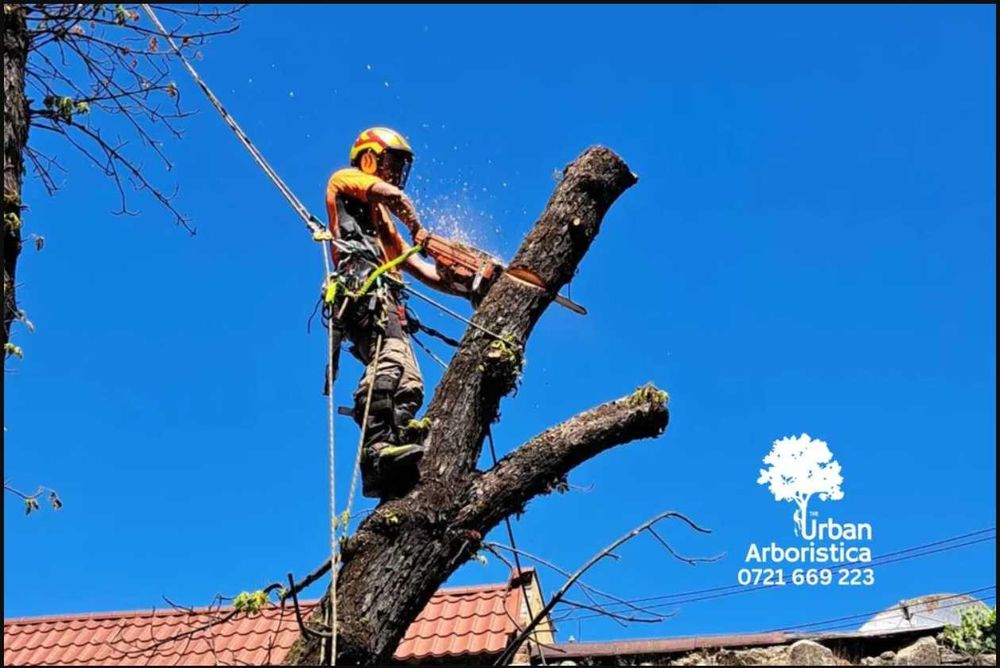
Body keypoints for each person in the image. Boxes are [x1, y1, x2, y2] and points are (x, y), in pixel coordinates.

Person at [322, 127, 458, 499]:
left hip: (387, 303)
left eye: (400, 167)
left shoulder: (384, 224)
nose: (395, 173)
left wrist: (466, 283)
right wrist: (419, 228)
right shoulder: (347, 180)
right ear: (369, 158)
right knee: (391, 361)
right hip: (363, 293)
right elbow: (392, 195)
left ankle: (397, 440)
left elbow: (423, 270)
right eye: (391, 163)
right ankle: (376, 451)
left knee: (411, 380)